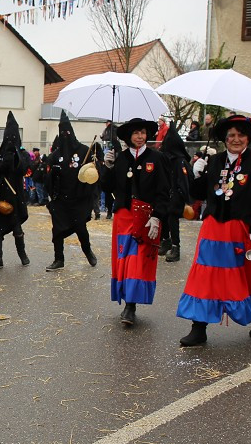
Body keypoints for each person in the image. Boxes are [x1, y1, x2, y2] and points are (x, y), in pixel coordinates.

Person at [177, 115, 251, 347]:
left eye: (240, 135)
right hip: (215, 229)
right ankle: (199, 327)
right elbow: (201, 193)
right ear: (225, 138)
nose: (236, 139)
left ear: (248, 138)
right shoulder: (215, 161)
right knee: (205, 277)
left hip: (246, 228)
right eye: (231, 135)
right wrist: (197, 173)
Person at [100, 118, 170, 326]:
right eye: (136, 133)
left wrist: (158, 216)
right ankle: (127, 301)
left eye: (143, 133)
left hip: (146, 217)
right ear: (128, 137)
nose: (140, 137)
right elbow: (107, 187)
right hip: (123, 216)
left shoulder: (157, 158)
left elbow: (164, 190)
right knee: (124, 260)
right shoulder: (120, 158)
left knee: (137, 260)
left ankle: (130, 306)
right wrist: (108, 167)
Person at [44, 111, 99, 271]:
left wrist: (89, 170)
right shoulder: (55, 155)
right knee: (57, 231)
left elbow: (94, 174)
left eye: (68, 132)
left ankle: (87, 251)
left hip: (79, 198)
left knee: (80, 227)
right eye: (62, 133)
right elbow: (47, 177)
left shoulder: (83, 152)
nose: (65, 136)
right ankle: (58, 259)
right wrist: (51, 174)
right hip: (61, 199)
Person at [0, 112, 32, 269]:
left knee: (17, 228)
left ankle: (22, 254)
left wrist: (13, 159)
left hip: (15, 198)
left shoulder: (23, 155)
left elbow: (23, 170)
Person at [158, 125, 192, 263]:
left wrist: (185, 197)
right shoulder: (167, 159)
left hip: (176, 195)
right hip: (167, 193)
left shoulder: (180, 161)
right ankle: (166, 240)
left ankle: (175, 246)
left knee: (172, 219)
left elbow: (185, 180)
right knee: (164, 217)